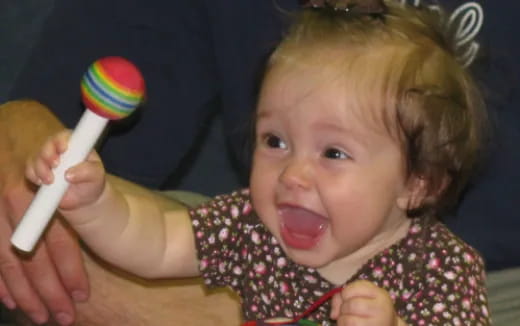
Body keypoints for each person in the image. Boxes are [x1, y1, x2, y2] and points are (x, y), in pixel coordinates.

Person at [23, 1, 492, 325]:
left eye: (333, 153)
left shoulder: (441, 270)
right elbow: (156, 242)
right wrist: (94, 202)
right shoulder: (251, 228)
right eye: (275, 140)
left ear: (418, 182)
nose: (293, 174)